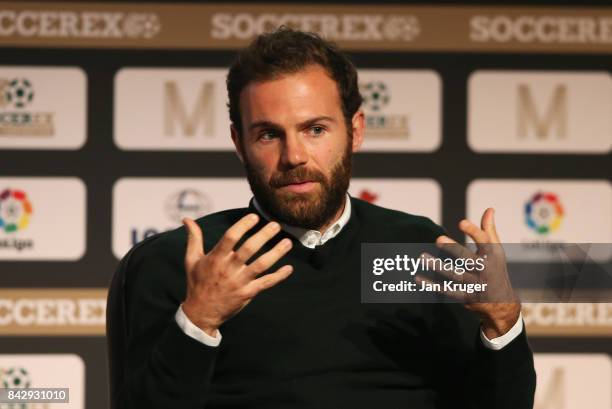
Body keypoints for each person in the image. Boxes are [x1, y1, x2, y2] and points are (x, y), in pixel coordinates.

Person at [108, 27, 536, 409]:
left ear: (356, 130)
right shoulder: (180, 263)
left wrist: (502, 321)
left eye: (315, 129)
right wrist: (199, 319)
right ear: (239, 142)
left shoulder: (411, 251)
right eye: (269, 134)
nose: (294, 156)